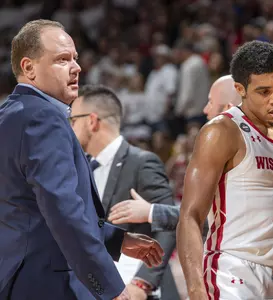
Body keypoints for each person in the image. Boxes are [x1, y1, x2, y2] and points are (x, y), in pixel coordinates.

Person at [0, 20, 163, 300]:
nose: (76, 67)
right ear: (29, 68)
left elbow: (30, 209)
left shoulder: (11, 114)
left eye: (75, 58)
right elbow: (63, 212)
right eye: (62, 60)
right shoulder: (43, 118)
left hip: (18, 276)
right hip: (50, 283)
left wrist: (117, 239)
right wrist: (111, 287)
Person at [177, 40, 273, 300]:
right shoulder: (221, 132)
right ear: (240, 89)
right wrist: (195, 290)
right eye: (263, 91)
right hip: (234, 269)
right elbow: (190, 215)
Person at [70, 85, 179, 300]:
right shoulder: (79, 168)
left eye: (73, 121)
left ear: (92, 121)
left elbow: (168, 227)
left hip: (137, 290)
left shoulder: (142, 162)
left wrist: (142, 283)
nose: (70, 128)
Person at [108, 74, 242, 232]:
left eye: (210, 102)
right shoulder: (241, 147)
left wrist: (152, 212)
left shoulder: (239, 154)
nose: (205, 110)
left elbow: (222, 219)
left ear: (227, 108)